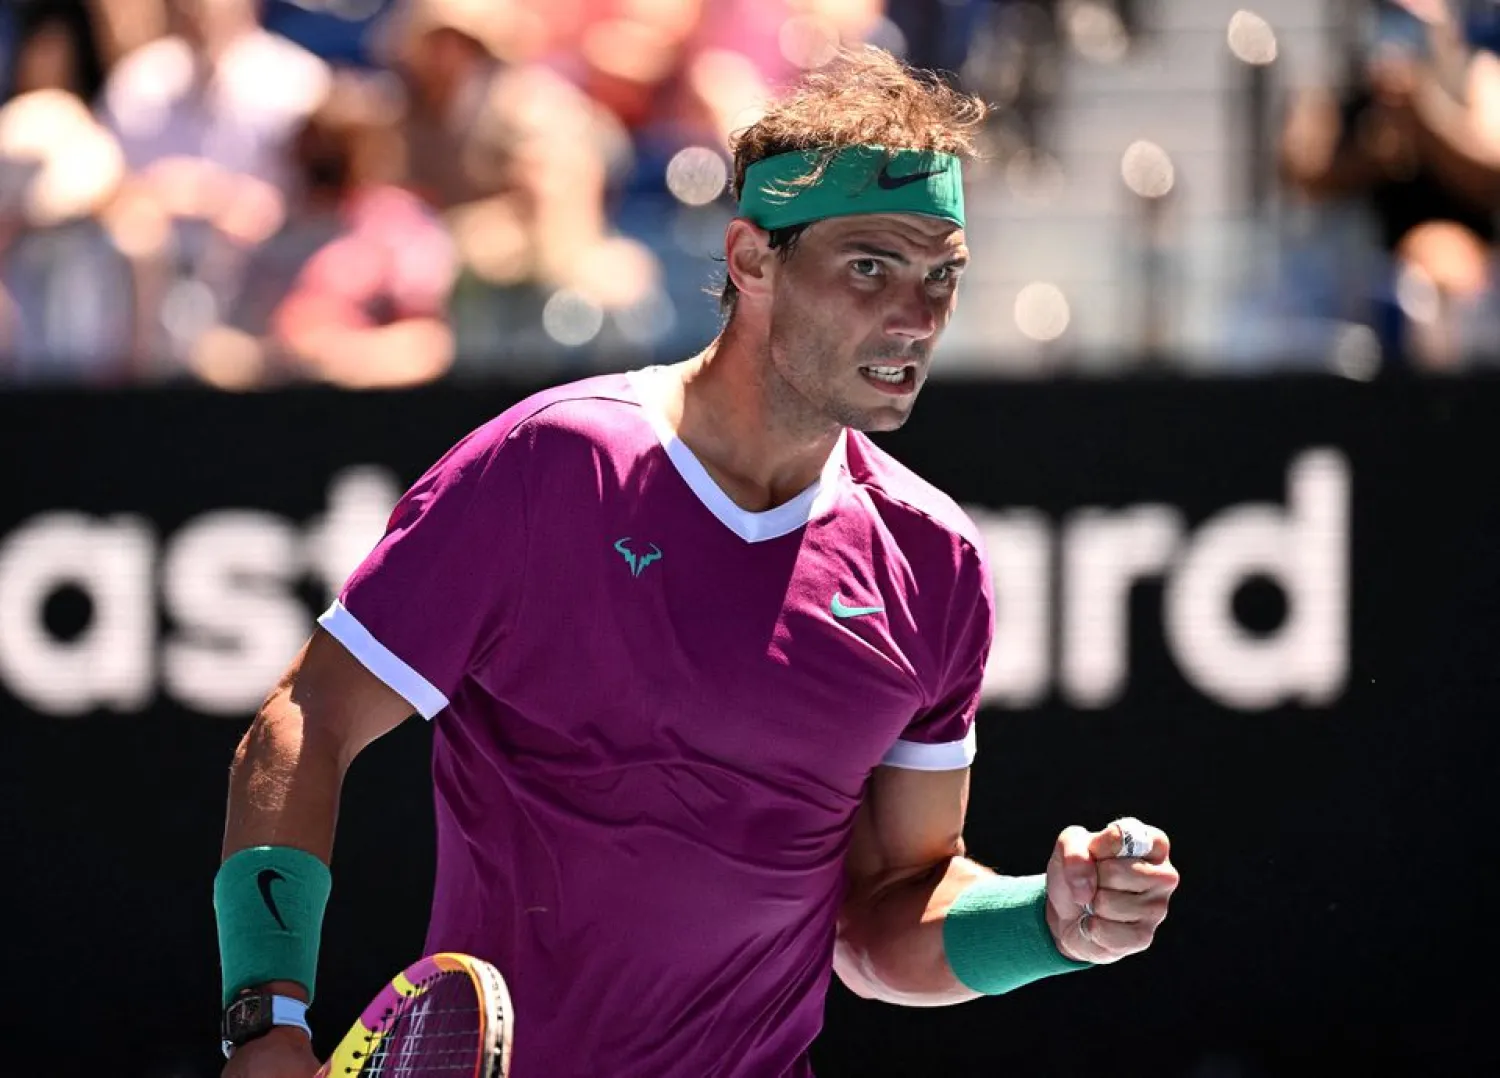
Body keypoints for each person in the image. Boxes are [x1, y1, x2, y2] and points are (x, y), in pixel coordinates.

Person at [214, 45, 1180, 1078]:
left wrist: (1045, 920)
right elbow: (305, 721)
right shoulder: (549, 465)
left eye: (941, 274)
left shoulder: (934, 564)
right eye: (869, 267)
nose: (917, 316)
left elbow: (882, 917)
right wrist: (266, 1020)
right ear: (752, 259)